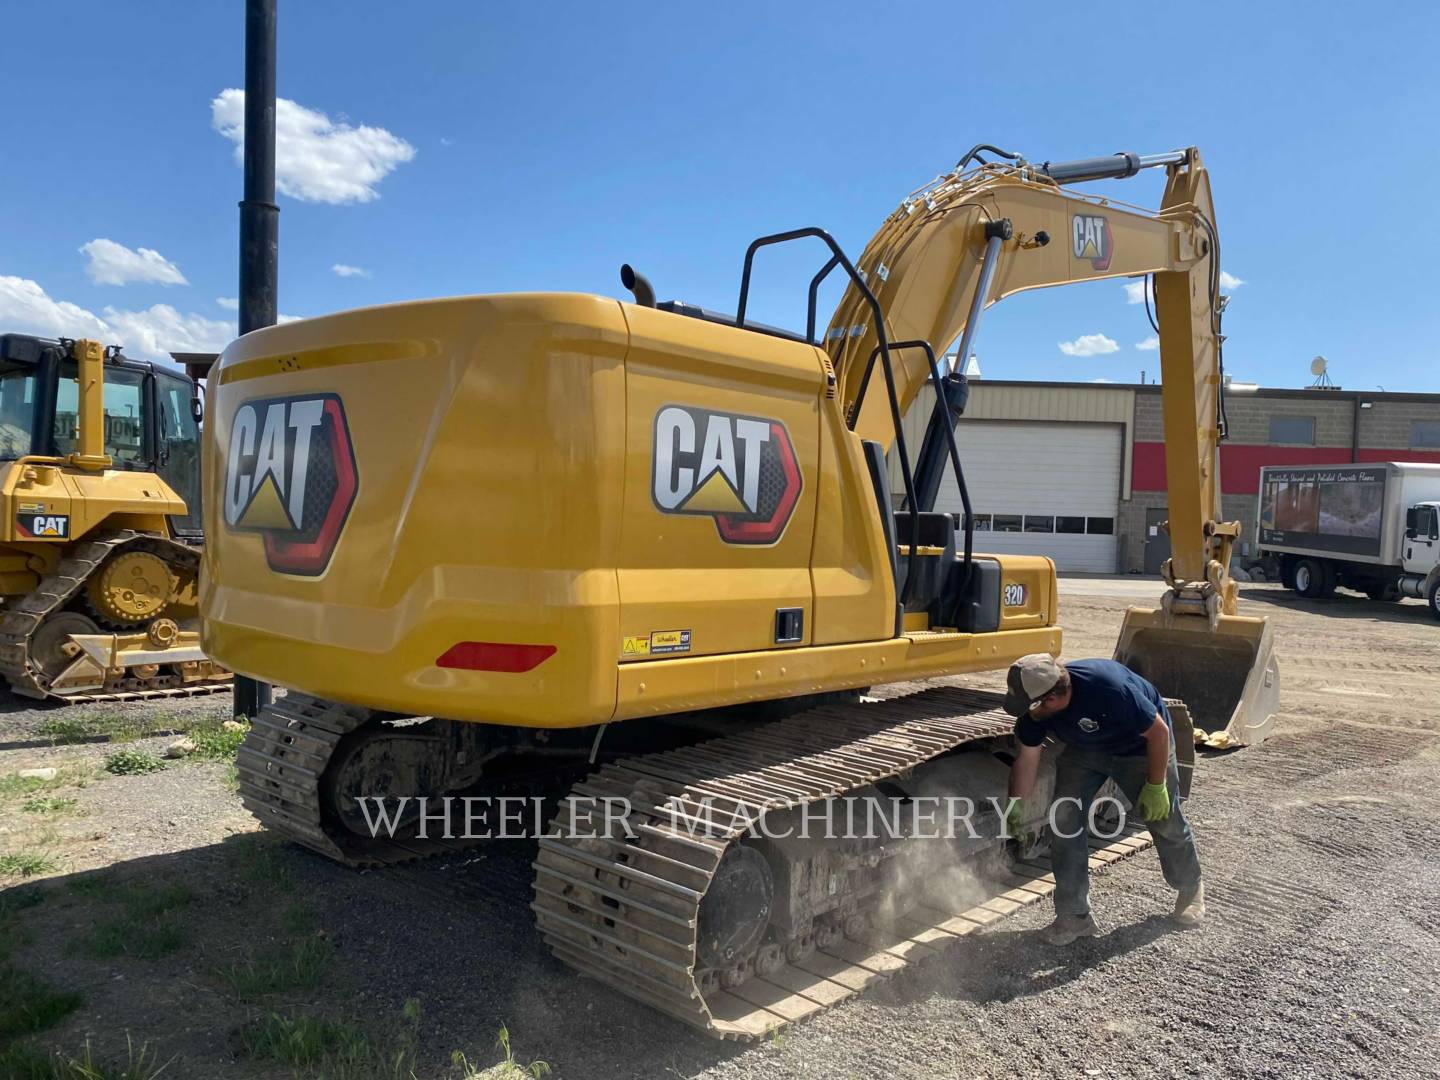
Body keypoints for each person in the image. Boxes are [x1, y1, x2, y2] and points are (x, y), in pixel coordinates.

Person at [1002, 653, 1205, 945]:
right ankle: (1074, 916)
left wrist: (1156, 785)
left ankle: (1189, 886)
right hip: (1086, 750)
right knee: (1064, 819)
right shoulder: (1037, 711)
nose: (1028, 713)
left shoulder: (1109, 689)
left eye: (1032, 706)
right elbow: (1027, 758)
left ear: (1052, 699)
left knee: (1163, 818)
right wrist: (1015, 805)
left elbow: (1158, 733)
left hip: (1139, 747)